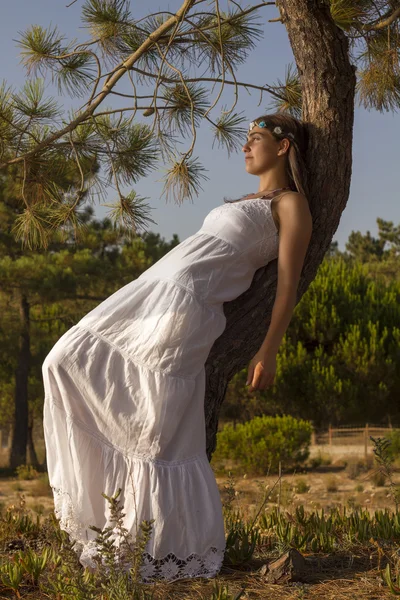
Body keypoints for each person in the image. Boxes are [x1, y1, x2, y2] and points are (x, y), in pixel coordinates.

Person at [42, 112, 313, 583]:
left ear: (285, 146)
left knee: (154, 427)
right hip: (150, 292)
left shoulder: (291, 205)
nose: (245, 147)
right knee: (62, 360)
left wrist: (268, 348)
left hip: (188, 308)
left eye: (255, 139)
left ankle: (149, 548)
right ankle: (107, 523)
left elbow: (287, 285)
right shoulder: (249, 199)